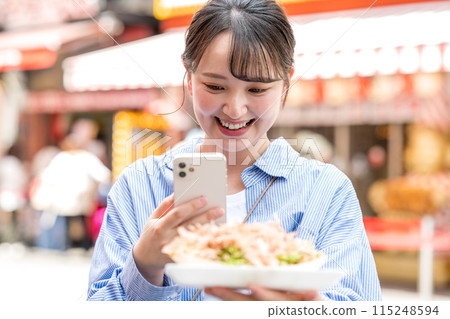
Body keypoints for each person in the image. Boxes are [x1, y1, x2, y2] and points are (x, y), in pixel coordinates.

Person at [88, 0, 381, 301]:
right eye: (215, 87)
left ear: (285, 84)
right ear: (189, 78)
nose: (235, 109)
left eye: (257, 89)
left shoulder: (327, 192)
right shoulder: (140, 185)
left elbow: (357, 303)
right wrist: (145, 265)